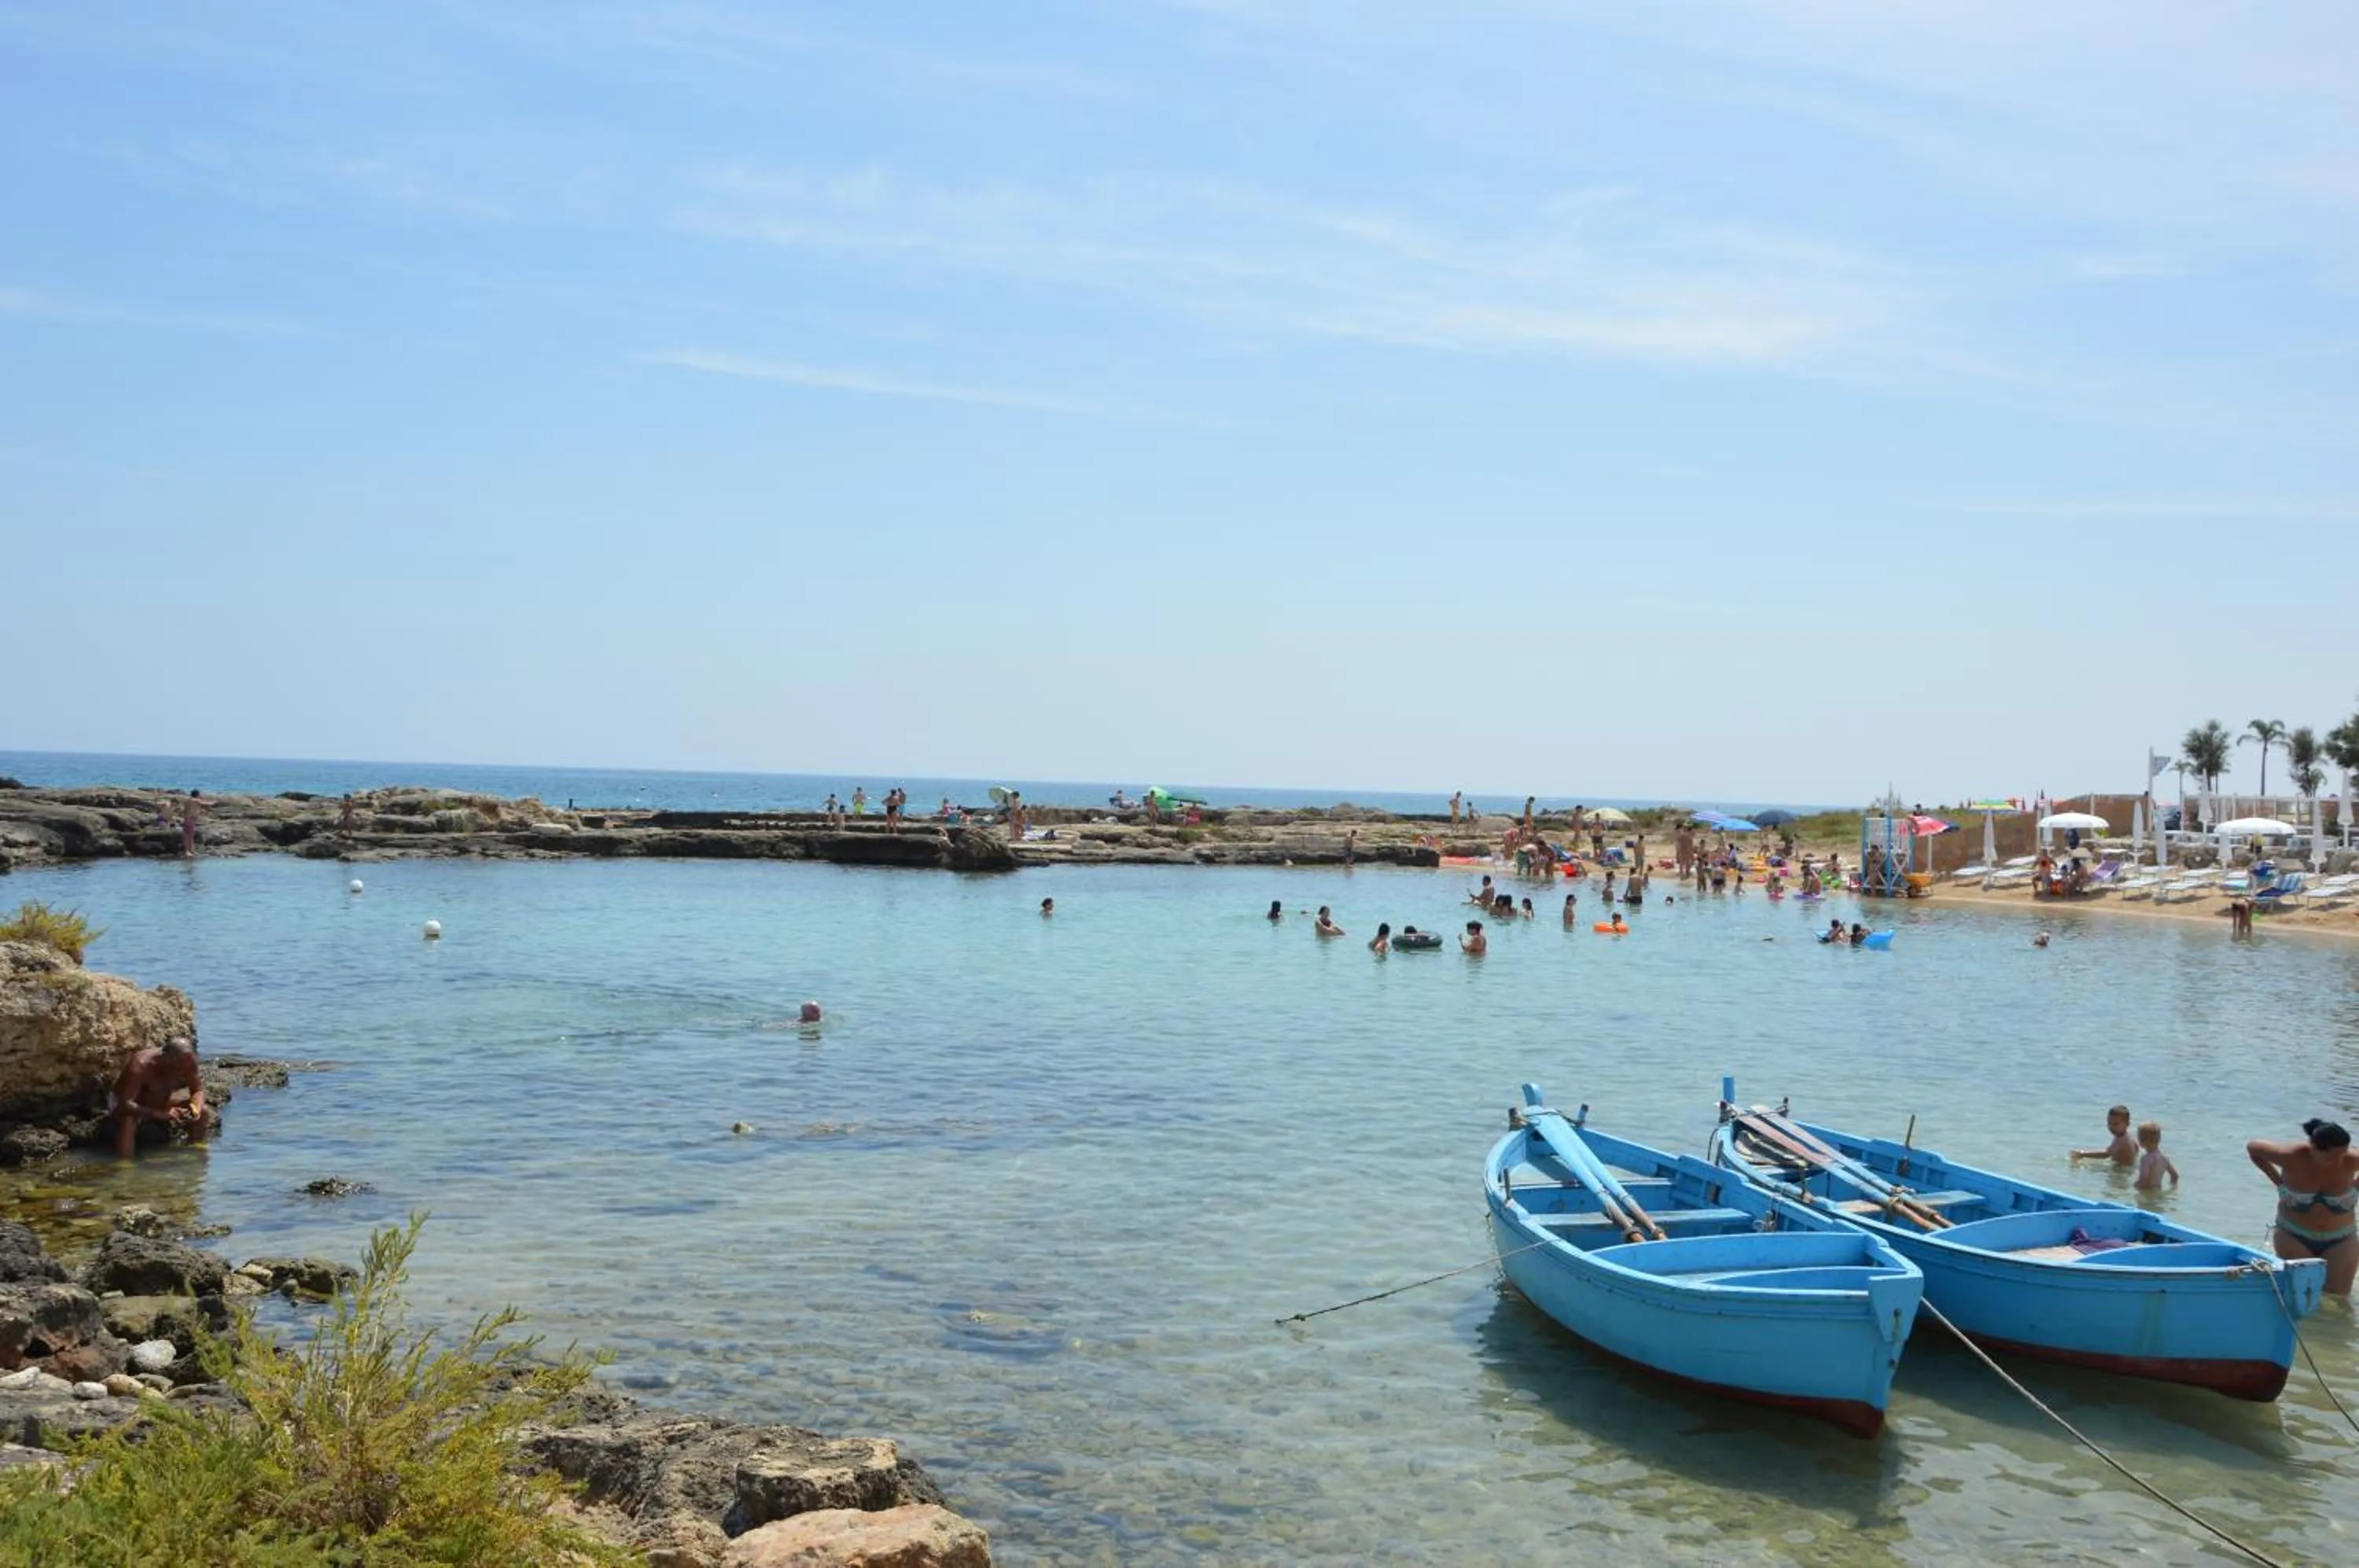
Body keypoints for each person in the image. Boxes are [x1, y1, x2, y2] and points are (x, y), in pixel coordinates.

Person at [2248, 1119, 2357, 1293]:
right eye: (2332, 1157)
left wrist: (2355, 1187)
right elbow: (2253, 1148)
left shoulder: (2351, 1160)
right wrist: (2279, 1183)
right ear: (2313, 1146)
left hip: (2342, 1239)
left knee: (2338, 1300)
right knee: (2302, 1294)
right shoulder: (2291, 1156)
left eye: (2343, 1155)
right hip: (2293, 1236)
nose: (2339, 1162)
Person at [109, 1036, 207, 1157]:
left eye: (186, 1068)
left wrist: (196, 1108)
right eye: (179, 1068)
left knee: (203, 1111)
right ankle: (125, 1164)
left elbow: (198, 1090)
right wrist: (159, 1114)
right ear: (166, 1060)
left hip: (161, 1101)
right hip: (130, 1106)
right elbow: (126, 1104)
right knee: (128, 1121)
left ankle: (196, 1150)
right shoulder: (141, 1064)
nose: (183, 1072)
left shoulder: (188, 1063)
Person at [2070, 1105, 2137, 1165]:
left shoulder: (2121, 1141)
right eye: (2109, 1123)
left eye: (2116, 1124)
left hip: (2120, 1172)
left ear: (2127, 1124)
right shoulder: (2130, 1139)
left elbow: (2106, 1154)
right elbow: (2136, 1150)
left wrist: (2083, 1154)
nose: (2111, 1127)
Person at [2133, 1121, 2178, 1193]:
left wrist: (2134, 1187)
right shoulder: (2164, 1158)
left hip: (2147, 1194)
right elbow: (2175, 1175)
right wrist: (2172, 1190)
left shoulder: (2146, 1159)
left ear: (2141, 1141)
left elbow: (2144, 1180)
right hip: (2158, 1192)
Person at [179, 790, 207, 859]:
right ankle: (187, 851)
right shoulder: (194, 800)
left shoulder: (188, 800)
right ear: (197, 795)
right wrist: (215, 803)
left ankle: (191, 851)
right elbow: (205, 804)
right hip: (190, 820)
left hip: (188, 819)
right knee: (189, 836)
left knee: (189, 836)